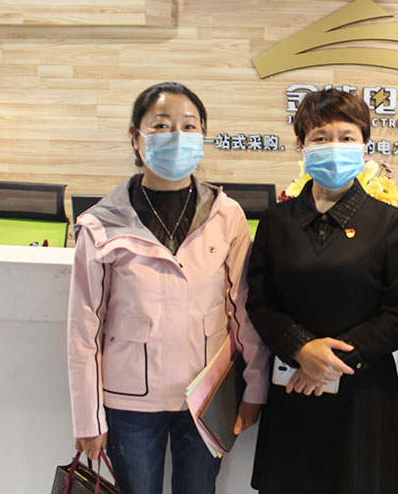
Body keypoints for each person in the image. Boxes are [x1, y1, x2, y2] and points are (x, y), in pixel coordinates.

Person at [67, 81, 270, 494]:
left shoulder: (225, 214)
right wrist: (88, 419)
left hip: (206, 394)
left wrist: (255, 387)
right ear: (136, 138)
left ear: (203, 137)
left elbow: (244, 309)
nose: (177, 136)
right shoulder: (102, 223)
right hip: (130, 402)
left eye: (189, 126)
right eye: (161, 125)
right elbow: (83, 328)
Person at [246, 88, 398, 494]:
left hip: (364, 396)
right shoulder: (276, 221)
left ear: (365, 145)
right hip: (294, 388)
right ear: (301, 145)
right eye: (321, 137)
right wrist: (302, 349)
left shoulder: (388, 221)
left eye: (347, 136)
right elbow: (260, 302)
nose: (334, 146)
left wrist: (330, 362)